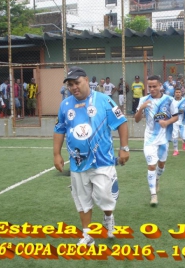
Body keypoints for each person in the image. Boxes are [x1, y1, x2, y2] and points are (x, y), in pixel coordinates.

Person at [53, 66, 129, 246]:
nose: (74, 87)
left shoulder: (104, 100)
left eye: (77, 83)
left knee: (106, 199)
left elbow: (122, 122)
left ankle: (108, 218)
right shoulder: (65, 105)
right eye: (70, 85)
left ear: (86, 80)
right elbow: (59, 129)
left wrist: (124, 147)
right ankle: (87, 235)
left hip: (102, 161)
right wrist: (56, 153)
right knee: (82, 200)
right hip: (77, 162)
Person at [134, 75, 178, 206]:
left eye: (154, 86)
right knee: (151, 165)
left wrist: (167, 122)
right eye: (150, 87)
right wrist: (141, 108)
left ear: (160, 86)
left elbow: (175, 117)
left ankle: (157, 179)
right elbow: (136, 120)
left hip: (163, 138)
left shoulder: (169, 100)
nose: (152, 89)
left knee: (161, 165)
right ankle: (153, 195)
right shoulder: (144, 99)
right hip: (149, 139)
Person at [172, 88, 185, 156]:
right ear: (174, 93)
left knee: (184, 137)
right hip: (174, 120)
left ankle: (184, 142)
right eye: (176, 92)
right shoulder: (171, 100)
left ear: (181, 93)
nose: (178, 93)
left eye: (179, 92)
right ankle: (176, 150)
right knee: (174, 136)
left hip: (183, 121)